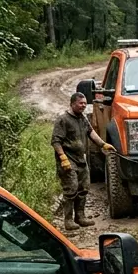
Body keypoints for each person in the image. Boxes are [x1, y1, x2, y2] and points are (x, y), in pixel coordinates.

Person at [51, 92, 115, 231]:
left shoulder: (83, 118)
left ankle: (80, 217)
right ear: (73, 103)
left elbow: (91, 133)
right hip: (69, 160)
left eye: (85, 103)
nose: (84, 106)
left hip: (81, 160)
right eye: (81, 103)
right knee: (71, 189)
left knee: (84, 188)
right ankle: (68, 220)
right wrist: (63, 158)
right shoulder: (63, 120)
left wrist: (103, 144)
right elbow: (56, 141)